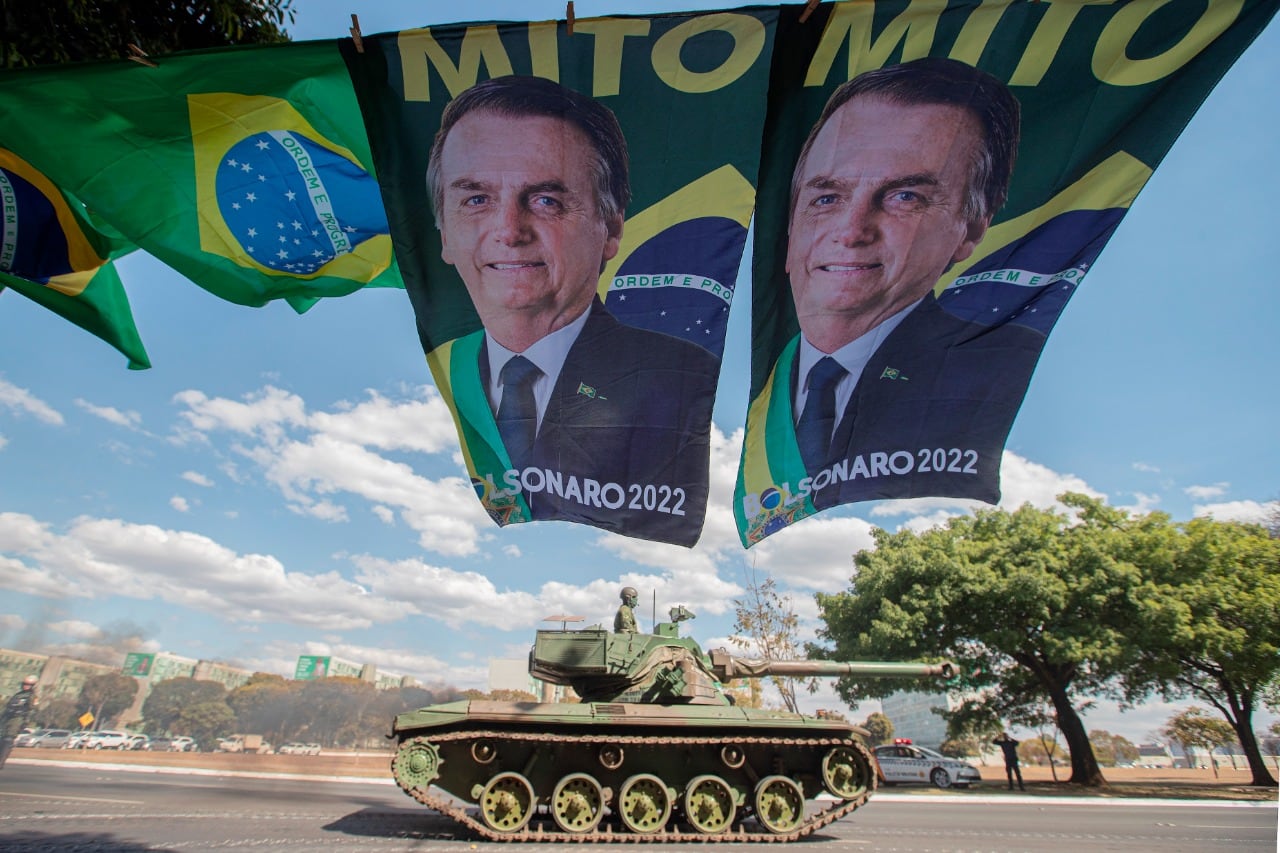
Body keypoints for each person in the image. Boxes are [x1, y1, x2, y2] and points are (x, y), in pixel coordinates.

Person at [423, 76, 718, 546]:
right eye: (476, 200)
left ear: (611, 228)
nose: (509, 231)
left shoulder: (682, 379)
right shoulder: (443, 369)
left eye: (546, 200)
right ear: (444, 233)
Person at [766, 58, 1042, 511]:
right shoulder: (760, 375)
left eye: (904, 197)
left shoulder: (988, 362)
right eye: (828, 197)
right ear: (792, 225)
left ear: (970, 229)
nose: (852, 231)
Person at [0, 675, 38, 769]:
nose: (26, 686)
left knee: (8, 739)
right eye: (25, 684)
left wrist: (21, 712)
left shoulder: (32, 697)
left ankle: (1, 762)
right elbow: (8, 706)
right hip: (7, 718)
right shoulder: (18, 694)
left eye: (29, 685)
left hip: (17, 720)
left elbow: (34, 710)